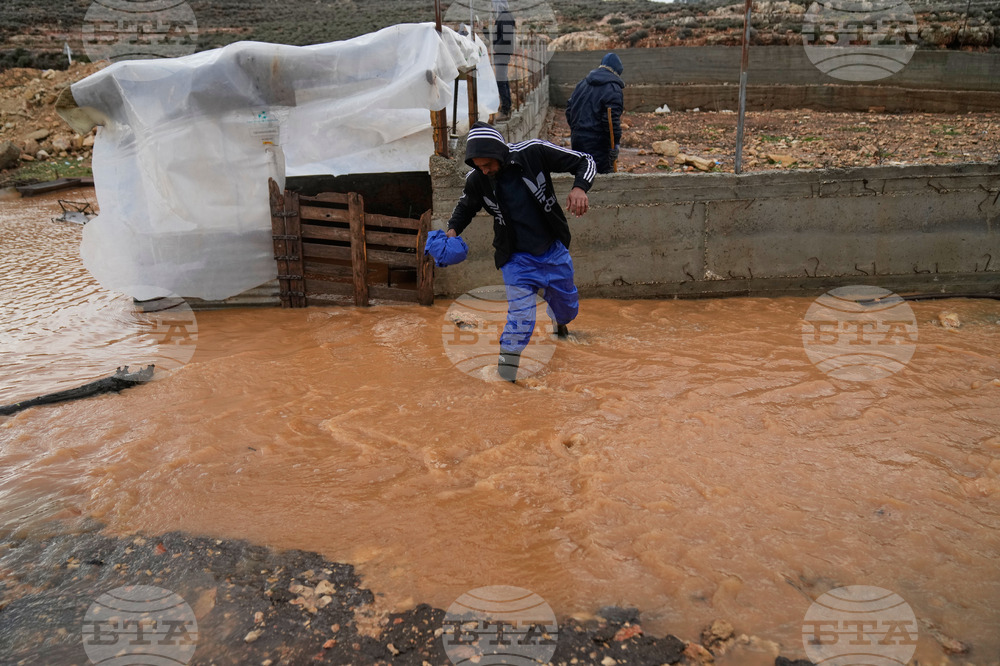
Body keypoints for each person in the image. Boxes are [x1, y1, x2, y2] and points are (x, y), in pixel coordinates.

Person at [446, 122, 597, 383]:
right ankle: (506, 379)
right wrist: (450, 233)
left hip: (551, 250)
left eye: (488, 164)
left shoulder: (532, 152)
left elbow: (586, 160)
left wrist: (580, 187)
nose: (485, 170)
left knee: (567, 308)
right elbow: (465, 207)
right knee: (521, 320)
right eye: (479, 166)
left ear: (499, 152)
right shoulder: (478, 180)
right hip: (516, 259)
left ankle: (560, 327)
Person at [564, 52, 625, 174]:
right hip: (598, 145)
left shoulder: (582, 84)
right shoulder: (613, 88)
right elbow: (611, 121)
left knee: (581, 176)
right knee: (601, 181)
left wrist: (577, 129)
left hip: (577, 140)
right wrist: (615, 145)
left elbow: (569, 109)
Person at [491, 0, 515, 118]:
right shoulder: (503, 17)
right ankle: (506, 107)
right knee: (502, 80)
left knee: (501, 81)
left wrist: (496, 48)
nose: (493, 8)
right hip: (502, 53)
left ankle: (505, 110)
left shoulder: (504, 17)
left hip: (502, 53)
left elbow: (506, 37)